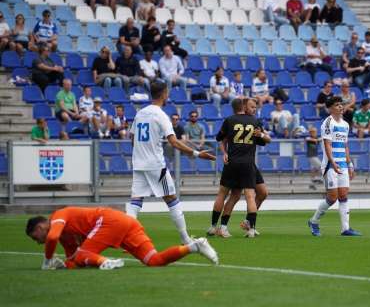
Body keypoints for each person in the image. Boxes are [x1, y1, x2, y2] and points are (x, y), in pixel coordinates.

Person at [126, 82, 216, 246]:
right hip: (155, 164)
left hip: (139, 164)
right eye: (167, 93)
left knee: (135, 201)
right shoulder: (160, 115)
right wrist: (196, 153)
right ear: (163, 94)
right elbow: (174, 142)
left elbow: (132, 138)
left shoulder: (140, 113)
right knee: (172, 199)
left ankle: (128, 238)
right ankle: (185, 238)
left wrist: (142, 152)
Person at [25, 207, 218, 270]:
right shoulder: (63, 237)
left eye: (36, 237)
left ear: (41, 226)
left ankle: (107, 262)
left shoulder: (58, 216)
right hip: (125, 223)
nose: (38, 241)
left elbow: (51, 238)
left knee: (85, 253)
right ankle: (195, 246)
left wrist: (47, 259)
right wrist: (63, 265)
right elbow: (75, 259)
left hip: (109, 220)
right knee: (154, 261)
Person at [213, 98, 269, 238]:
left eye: (256, 107)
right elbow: (266, 140)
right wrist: (261, 134)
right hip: (246, 163)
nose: (254, 109)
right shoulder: (254, 122)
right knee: (243, 195)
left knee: (262, 193)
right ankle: (247, 227)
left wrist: (224, 152)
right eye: (252, 106)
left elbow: (221, 138)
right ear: (244, 106)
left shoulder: (231, 120)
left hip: (238, 163)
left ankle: (225, 226)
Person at [308, 96, 361, 237]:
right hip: (330, 165)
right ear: (330, 108)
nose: (341, 107)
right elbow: (327, 145)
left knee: (343, 195)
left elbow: (345, 145)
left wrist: (350, 165)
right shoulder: (327, 122)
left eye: (341, 105)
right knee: (332, 198)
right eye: (337, 105)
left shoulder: (345, 124)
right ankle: (313, 221)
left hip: (343, 164)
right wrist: (333, 162)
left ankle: (345, 229)